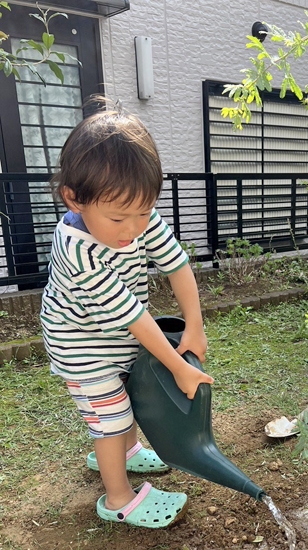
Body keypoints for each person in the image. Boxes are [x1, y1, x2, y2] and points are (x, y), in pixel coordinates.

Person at [40, 106, 214, 529]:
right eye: (119, 218)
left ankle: (129, 451)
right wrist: (179, 368)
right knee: (111, 416)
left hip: (115, 331)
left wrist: (195, 324)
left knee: (126, 392)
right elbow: (134, 317)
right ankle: (117, 498)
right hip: (79, 344)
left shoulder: (135, 211)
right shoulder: (77, 250)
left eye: (144, 212)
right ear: (74, 199)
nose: (134, 228)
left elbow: (175, 264)